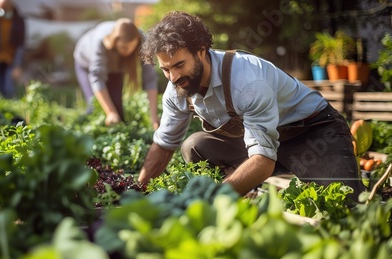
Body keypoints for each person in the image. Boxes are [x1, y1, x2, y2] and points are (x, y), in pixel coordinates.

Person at [137, 11, 365, 201]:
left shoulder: (246, 80)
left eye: (179, 65)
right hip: (256, 143)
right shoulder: (177, 89)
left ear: (201, 51)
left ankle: (223, 197)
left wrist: (218, 199)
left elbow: (263, 161)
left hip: (311, 134)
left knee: (344, 205)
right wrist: (137, 191)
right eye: (166, 69)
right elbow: (164, 144)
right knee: (195, 145)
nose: (173, 76)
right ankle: (239, 197)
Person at [73, 18, 160, 128]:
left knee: (117, 109)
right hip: (86, 65)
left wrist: (154, 117)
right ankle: (83, 133)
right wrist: (110, 112)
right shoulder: (101, 40)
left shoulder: (142, 40)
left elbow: (150, 78)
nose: (128, 52)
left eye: (131, 48)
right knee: (95, 106)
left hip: (115, 68)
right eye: (124, 47)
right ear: (115, 41)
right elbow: (97, 77)